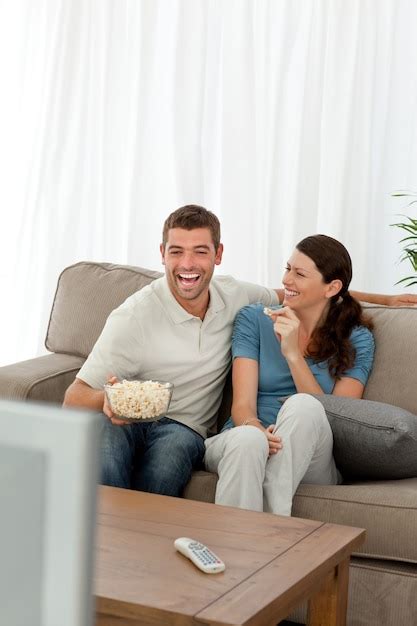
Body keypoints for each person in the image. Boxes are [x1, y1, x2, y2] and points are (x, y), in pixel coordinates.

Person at [63, 205, 417, 498]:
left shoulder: (235, 295)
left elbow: (341, 413)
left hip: (196, 428)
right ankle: (110, 543)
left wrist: (382, 300)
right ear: (162, 255)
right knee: (110, 446)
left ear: (218, 255)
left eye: (200, 251)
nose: (187, 264)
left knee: (300, 408)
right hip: (154, 421)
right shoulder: (140, 316)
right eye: (176, 251)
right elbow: (74, 396)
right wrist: (108, 401)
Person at [204, 234, 375, 516]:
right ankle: (241, 550)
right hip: (245, 438)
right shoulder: (254, 319)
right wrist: (256, 430)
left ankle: (268, 533)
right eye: (287, 269)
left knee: (304, 405)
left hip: (311, 454)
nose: (287, 280)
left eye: (299, 274)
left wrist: (293, 353)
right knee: (248, 441)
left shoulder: (358, 339)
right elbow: (242, 405)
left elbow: (338, 417)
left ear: (331, 287)